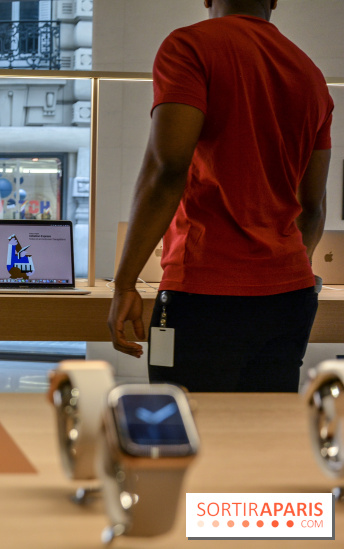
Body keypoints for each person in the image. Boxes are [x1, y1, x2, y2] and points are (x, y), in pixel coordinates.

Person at [107, 0, 333, 392]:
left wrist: (125, 283)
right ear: (274, 0)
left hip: (203, 294)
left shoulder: (189, 46)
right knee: (263, 425)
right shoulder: (310, 74)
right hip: (290, 298)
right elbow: (312, 207)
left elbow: (167, 170)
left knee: (187, 421)